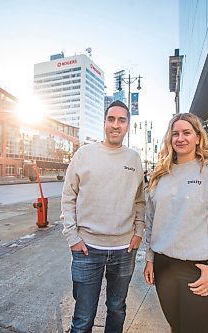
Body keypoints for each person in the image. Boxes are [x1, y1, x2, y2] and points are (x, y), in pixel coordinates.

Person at [143, 113, 208, 333]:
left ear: (198, 137)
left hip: (198, 269)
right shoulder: (159, 175)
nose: (180, 138)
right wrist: (150, 259)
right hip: (163, 266)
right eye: (175, 133)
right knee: (176, 328)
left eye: (186, 132)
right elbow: (151, 221)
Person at [61, 100, 145, 333]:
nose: (115, 125)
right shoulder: (84, 155)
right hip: (87, 249)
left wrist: (138, 233)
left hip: (124, 251)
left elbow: (140, 200)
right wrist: (73, 238)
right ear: (104, 123)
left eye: (121, 120)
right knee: (83, 318)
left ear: (128, 125)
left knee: (117, 308)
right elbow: (68, 197)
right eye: (111, 119)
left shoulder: (134, 159)